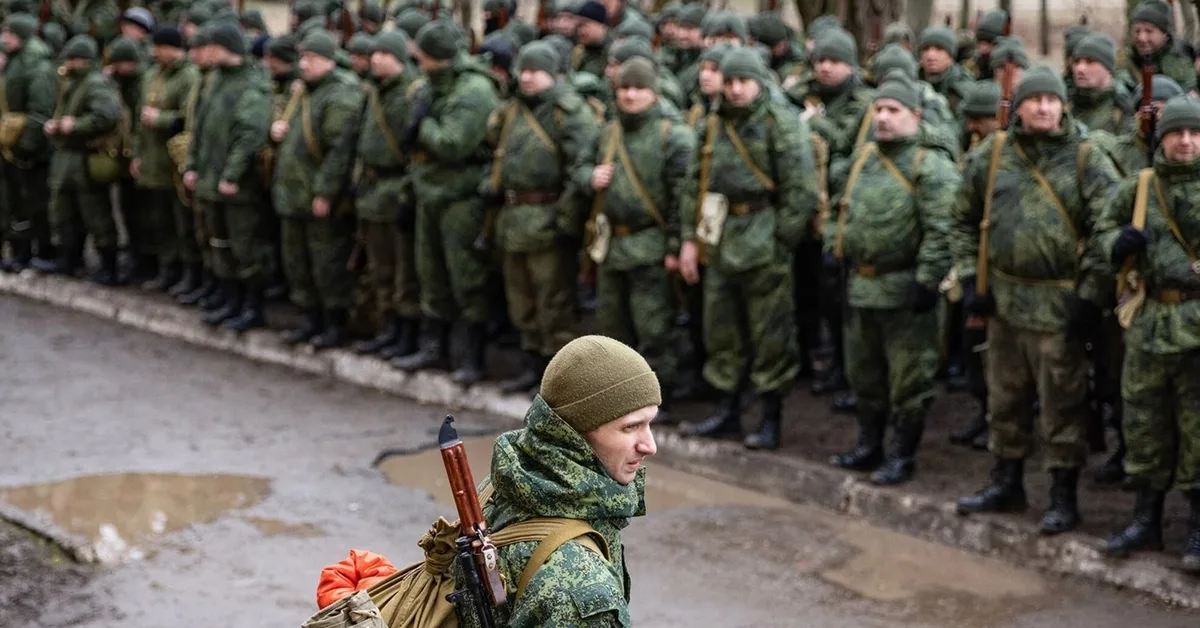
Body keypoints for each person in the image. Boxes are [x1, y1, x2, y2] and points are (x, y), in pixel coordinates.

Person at [953, 66, 1121, 535]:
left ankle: (1062, 497)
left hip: (1059, 307)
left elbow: (1109, 230)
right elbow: (962, 218)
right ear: (1018, 108)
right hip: (1004, 303)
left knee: (1061, 404)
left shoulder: (1087, 158)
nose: (1044, 108)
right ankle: (1006, 483)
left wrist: (1089, 298)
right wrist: (971, 280)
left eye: (1052, 100)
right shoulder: (994, 154)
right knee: (1004, 399)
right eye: (1034, 100)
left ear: (1063, 105)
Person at [454, 334, 660, 628]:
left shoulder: (515, 477)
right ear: (575, 432)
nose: (649, 445)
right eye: (631, 427)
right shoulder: (585, 595)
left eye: (650, 423)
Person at [678, 47, 818, 450]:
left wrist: (779, 241)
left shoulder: (780, 123)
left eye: (744, 81)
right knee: (721, 327)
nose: (736, 89)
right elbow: (694, 186)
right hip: (721, 237)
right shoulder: (712, 123)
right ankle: (728, 409)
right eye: (730, 81)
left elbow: (800, 191)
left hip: (764, 235)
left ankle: (770, 415)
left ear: (759, 82)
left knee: (770, 332)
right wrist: (691, 239)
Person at [826, 73, 958, 486]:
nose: (883, 118)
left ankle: (903, 455)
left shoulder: (930, 165)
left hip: (905, 291)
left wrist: (927, 279)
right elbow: (838, 209)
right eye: (878, 109)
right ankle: (869, 445)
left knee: (908, 379)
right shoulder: (863, 159)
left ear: (915, 115)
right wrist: (836, 247)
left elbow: (944, 228)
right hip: (862, 287)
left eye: (893, 111)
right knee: (864, 373)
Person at [1097, 94, 1200, 572]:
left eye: (1194, 132)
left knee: (1197, 429)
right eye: (1177, 132)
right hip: (1148, 323)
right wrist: (1116, 245)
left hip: (1196, 326)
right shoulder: (1138, 188)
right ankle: (1145, 519)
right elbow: (1098, 236)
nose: (1185, 141)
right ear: (1160, 138)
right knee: (1143, 425)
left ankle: (1198, 527)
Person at [482, 41, 598, 394]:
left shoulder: (568, 112)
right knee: (521, 301)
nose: (528, 78)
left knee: (554, 302)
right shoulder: (511, 111)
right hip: (514, 218)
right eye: (524, 70)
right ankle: (532, 365)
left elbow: (579, 170)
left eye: (536, 72)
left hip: (548, 218)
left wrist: (567, 221)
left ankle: (559, 379)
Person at [391, 21, 500, 384]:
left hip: (461, 196)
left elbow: (454, 144)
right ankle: (433, 346)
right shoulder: (429, 87)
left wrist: (423, 126)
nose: (417, 63)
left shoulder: (475, 90)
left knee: (465, 275)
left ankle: (471, 355)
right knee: (430, 271)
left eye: (423, 56)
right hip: (429, 191)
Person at [588, 57, 694, 422]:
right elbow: (580, 171)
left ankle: (655, 400)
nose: (630, 95)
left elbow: (684, 197)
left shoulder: (672, 135)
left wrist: (674, 247)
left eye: (638, 88)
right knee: (612, 326)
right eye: (624, 89)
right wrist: (591, 177)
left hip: (650, 245)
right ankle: (619, 400)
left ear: (653, 92)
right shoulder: (609, 133)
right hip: (613, 244)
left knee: (654, 328)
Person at [273, 29, 363, 347]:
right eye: (303, 58)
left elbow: (340, 151)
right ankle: (310, 319)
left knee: (327, 262)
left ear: (328, 60)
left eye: (311, 58)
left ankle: (334, 324)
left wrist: (325, 191)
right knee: (298, 263)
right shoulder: (304, 92)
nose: (304, 64)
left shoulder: (340, 95)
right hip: (294, 193)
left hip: (316, 195)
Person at [351, 30, 423, 361]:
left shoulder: (409, 95)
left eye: (384, 53)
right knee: (380, 268)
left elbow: (413, 153)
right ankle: (388, 329)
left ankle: (406, 335)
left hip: (396, 192)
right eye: (374, 53)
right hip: (372, 191)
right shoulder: (375, 91)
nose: (375, 58)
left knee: (401, 270)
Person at [43, 35, 121, 283]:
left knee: (95, 213)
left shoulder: (95, 84)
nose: (67, 64)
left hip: (86, 159)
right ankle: (68, 259)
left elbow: (106, 116)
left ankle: (109, 266)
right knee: (63, 212)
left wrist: (76, 125)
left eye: (72, 59)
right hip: (66, 158)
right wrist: (56, 126)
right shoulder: (72, 83)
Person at [131, 25, 200, 293]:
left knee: (181, 222)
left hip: (174, 159)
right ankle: (166, 269)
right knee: (158, 220)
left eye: (158, 48)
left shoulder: (188, 77)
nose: (153, 52)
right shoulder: (150, 74)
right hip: (151, 158)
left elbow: (187, 118)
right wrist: (137, 154)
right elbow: (139, 121)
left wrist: (159, 119)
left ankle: (188, 273)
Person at [0, 14, 55, 274]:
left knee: (35, 202)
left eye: (9, 34)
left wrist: (27, 148)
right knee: (16, 203)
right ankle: (21, 251)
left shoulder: (36, 66)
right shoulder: (15, 61)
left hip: (30, 150)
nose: (4, 38)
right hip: (13, 147)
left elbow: (40, 111)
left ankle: (42, 251)